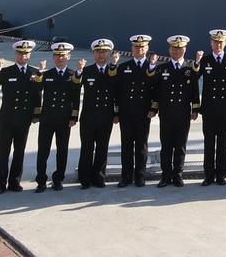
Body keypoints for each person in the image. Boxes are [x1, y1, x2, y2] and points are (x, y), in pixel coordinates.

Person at [0, 39, 41, 194]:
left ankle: (15, 182)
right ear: (16, 54)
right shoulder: (7, 71)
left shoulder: (34, 72)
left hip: (24, 119)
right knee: (3, 151)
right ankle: (0, 183)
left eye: (26, 54)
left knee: (19, 152)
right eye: (20, 53)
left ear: (30, 55)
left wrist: (36, 115)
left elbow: (38, 94)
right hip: (7, 118)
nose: (23, 56)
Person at [33, 41, 81, 192]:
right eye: (57, 56)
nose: (60, 58)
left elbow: (76, 96)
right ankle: (41, 180)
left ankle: (58, 179)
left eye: (63, 56)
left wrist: (74, 117)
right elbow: (36, 91)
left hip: (64, 119)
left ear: (69, 56)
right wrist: (40, 72)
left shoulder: (73, 75)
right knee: (43, 151)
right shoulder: (46, 75)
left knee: (62, 151)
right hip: (47, 118)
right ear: (54, 57)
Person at [153, 35, 198, 187]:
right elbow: (156, 92)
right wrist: (154, 108)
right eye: (174, 48)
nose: (177, 51)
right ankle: (165, 176)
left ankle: (178, 174)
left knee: (180, 146)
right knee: (166, 146)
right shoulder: (162, 69)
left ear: (184, 50)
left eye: (180, 48)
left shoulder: (190, 70)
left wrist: (195, 109)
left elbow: (194, 91)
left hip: (183, 114)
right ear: (169, 50)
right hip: (166, 114)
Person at [195, 29, 226, 186]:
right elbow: (195, 77)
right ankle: (208, 175)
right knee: (209, 143)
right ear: (211, 43)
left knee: (222, 143)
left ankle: (221, 174)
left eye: (221, 42)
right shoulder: (205, 60)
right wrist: (197, 61)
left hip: (225, 108)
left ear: (225, 43)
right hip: (208, 108)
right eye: (215, 42)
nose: (218, 44)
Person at [113, 34, 158, 187]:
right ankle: (126, 176)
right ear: (132, 48)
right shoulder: (124, 67)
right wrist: (117, 112)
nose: (139, 49)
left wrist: (153, 109)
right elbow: (117, 92)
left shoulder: (151, 68)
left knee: (141, 146)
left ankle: (140, 176)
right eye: (136, 47)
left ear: (147, 48)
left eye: (142, 47)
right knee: (126, 146)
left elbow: (155, 90)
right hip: (126, 113)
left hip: (143, 113)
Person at [77, 38, 118, 189]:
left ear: (109, 53)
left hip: (106, 116)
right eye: (98, 52)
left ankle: (99, 177)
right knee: (87, 149)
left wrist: (116, 113)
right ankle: (85, 178)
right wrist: (79, 71)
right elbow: (74, 88)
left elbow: (118, 94)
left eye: (104, 52)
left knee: (102, 148)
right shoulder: (87, 71)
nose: (101, 55)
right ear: (93, 53)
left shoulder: (114, 71)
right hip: (88, 117)